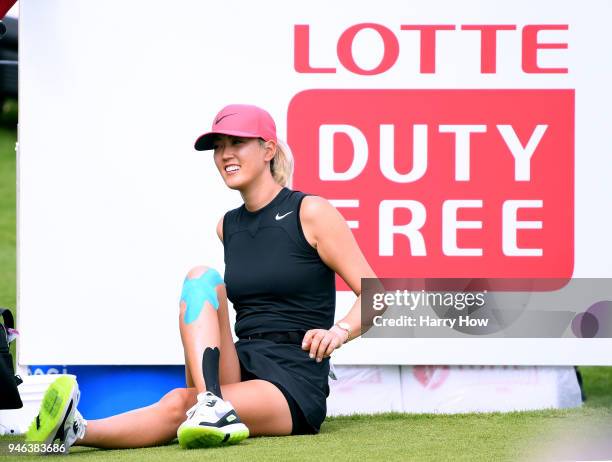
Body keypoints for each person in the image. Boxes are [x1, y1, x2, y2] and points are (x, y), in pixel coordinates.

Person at [25, 104, 377, 452]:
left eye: (236, 143)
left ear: (268, 149)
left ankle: (80, 430)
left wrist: (339, 331)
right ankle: (209, 403)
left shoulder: (310, 211)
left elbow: (379, 297)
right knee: (200, 277)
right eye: (219, 146)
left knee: (181, 403)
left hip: (292, 378)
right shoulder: (229, 225)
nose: (225, 154)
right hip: (240, 362)